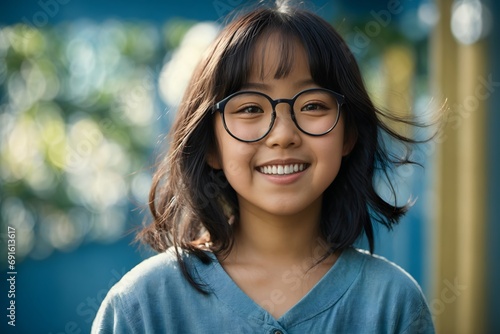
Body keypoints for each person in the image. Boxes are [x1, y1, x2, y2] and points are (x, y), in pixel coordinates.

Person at [92, 1, 435, 333]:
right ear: (211, 145)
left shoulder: (394, 305)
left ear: (349, 135)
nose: (283, 135)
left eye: (313, 105)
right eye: (250, 109)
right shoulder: (141, 307)